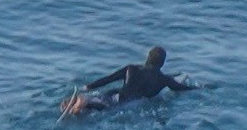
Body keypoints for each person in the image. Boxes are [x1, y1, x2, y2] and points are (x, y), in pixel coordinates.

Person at [63, 46, 191, 116]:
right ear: (162, 63)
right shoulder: (163, 79)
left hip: (116, 93)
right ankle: (83, 103)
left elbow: (109, 78)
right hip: (127, 101)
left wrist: (88, 86)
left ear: (147, 58)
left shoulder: (131, 69)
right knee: (107, 107)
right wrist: (200, 87)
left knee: (102, 97)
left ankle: (81, 100)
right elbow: (180, 88)